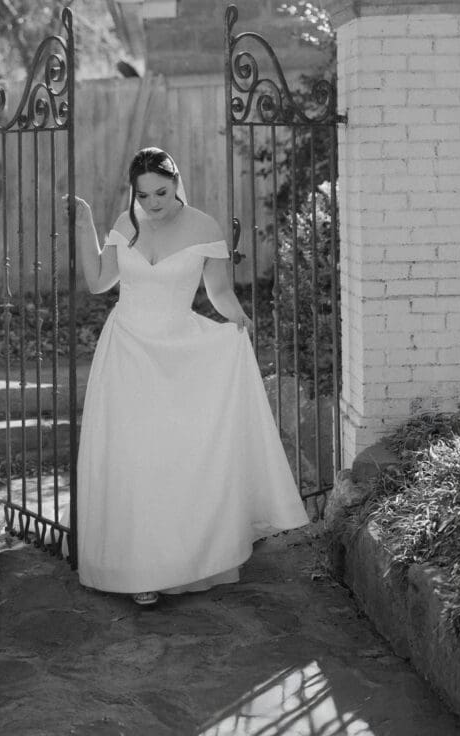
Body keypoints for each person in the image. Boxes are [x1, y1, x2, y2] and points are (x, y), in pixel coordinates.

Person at [67, 147, 308, 607]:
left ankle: (182, 558)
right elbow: (99, 282)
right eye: (144, 194)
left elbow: (218, 292)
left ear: (176, 182)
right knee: (133, 457)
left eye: (161, 191)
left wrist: (239, 322)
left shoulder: (205, 227)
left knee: (174, 456)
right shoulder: (126, 223)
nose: (153, 202)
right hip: (126, 351)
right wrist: (85, 225)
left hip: (179, 351)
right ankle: (136, 569)